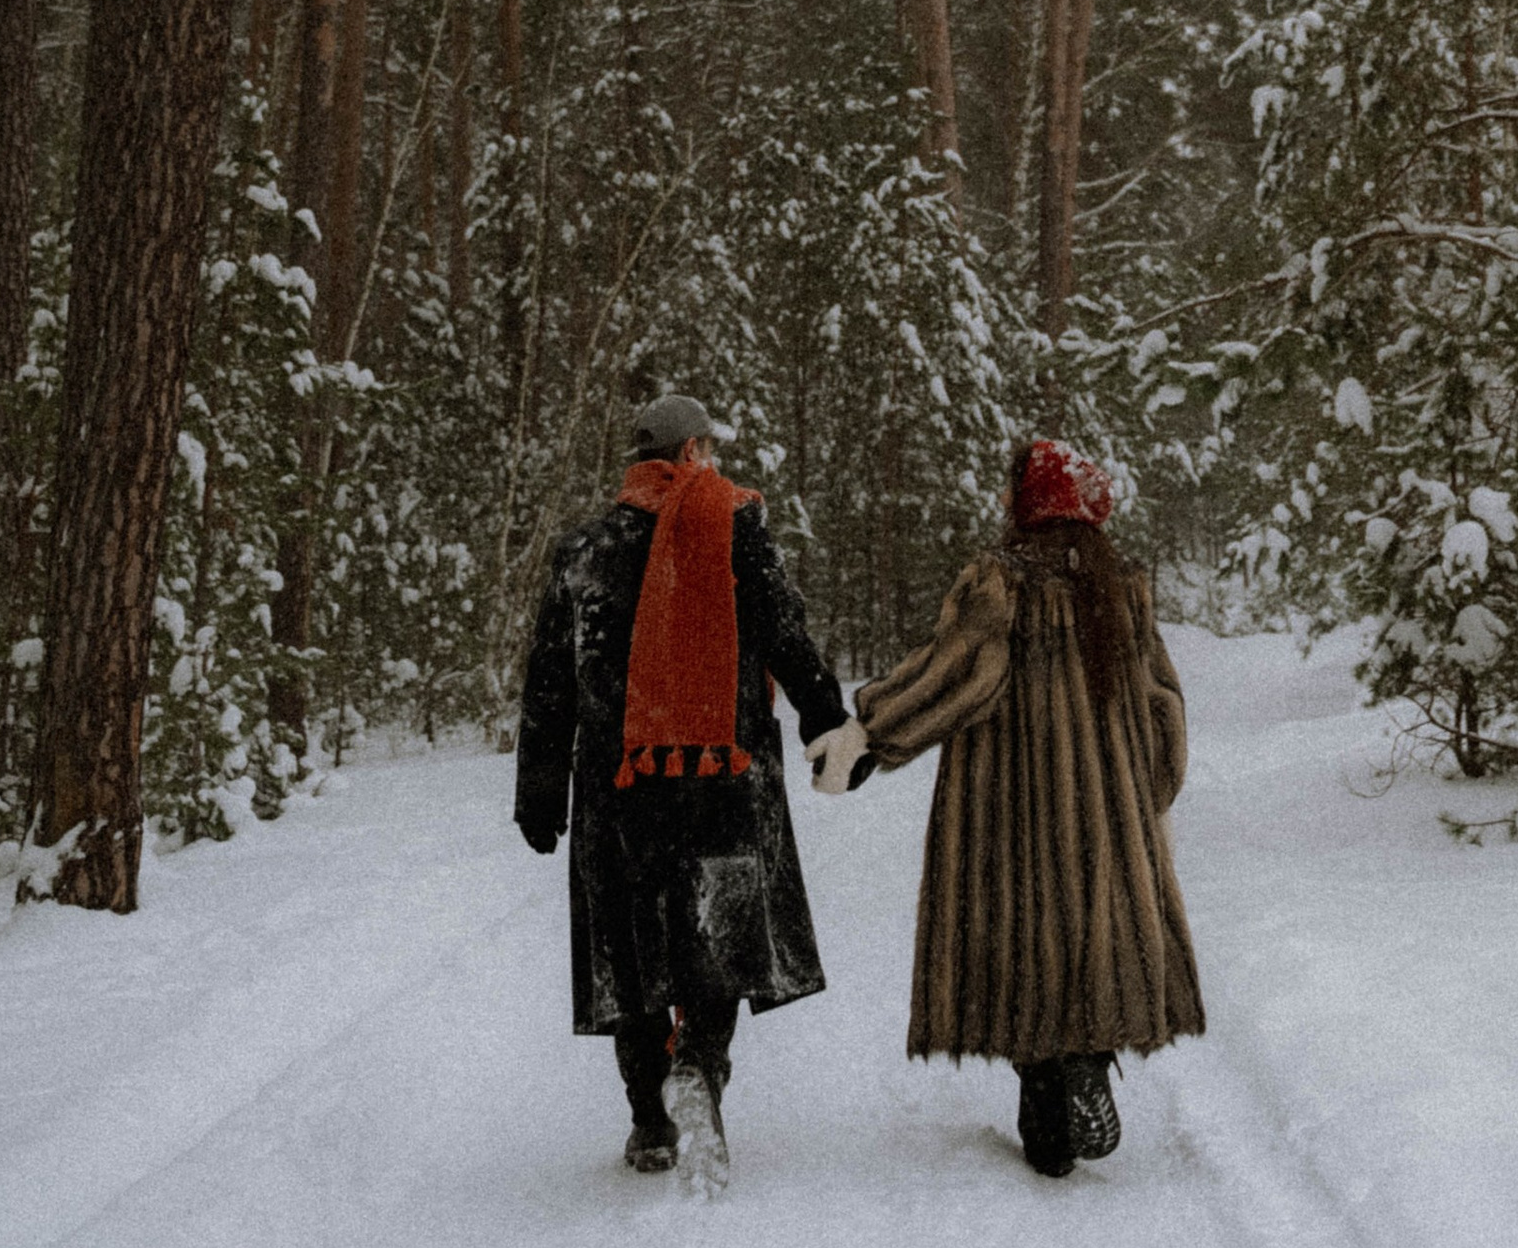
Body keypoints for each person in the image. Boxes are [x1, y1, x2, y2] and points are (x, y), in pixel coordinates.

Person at [809, 436, 1204, 1176]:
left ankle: (1049, 1119)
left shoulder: (1003, 583)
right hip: (1107, 815)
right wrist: (1148, 794)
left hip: (1011, 812)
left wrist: (870, 732)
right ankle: (1088, 1059)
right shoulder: (1121, 587)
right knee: (1090, 943)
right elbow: (1165, 705)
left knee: (1020, 949)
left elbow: (956, 676)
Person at [515, 391, 850, 1190]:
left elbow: (549, 682)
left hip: (617, 784)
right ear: (693, 451)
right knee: (717, 937)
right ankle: (699, 1064)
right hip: (723, 776)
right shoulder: (733, 528)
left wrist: (538, 789)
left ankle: (649, 1122)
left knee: (629, 948)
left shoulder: (583, 550)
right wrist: (824, 719)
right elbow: (784, 630)